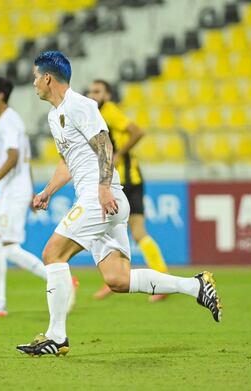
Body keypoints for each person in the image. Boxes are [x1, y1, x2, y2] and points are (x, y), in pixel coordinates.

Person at [16, 51, 222, 357]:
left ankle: (56, 337)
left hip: (101, 198)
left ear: (47, 78)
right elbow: (68, 162)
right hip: (102, 200)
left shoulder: (81, 105)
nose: (33, 82)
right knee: (118, 279)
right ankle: (196, 286)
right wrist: (48, 191)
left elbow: (105, 145)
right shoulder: (53, 115)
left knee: (52, 254)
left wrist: (102, 189)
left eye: (35, 76)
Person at [0, 75, 77, 316]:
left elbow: (14, 157)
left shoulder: (8, 121)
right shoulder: (9, 120)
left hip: (11, 193)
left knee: (8, 247)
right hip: (11, 191)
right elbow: (25, 160)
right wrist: (30, 192)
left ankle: (63, 282)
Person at [87, 79, 169, 302]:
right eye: (90, 91)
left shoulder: (109, 112)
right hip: (120, 180)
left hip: (126, 181)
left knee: (131, 232)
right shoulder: (97, 114)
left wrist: (119, 154)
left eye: (97, 91)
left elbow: (137, 131)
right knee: (114, 231)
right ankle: (114, 278)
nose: (92, 95)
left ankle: (160, 279)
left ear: (108, 95)